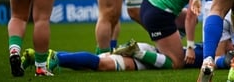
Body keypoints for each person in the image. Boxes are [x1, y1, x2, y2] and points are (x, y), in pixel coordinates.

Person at [19, 42, 204, 72]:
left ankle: (40, 57)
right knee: (101, 63)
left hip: (150, 50)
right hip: (151, 57)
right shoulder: (208, 53)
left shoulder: (205, 44)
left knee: (95, 62)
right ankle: (57, 59)